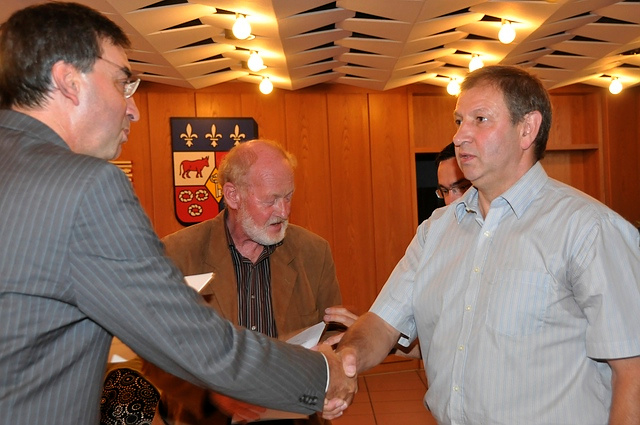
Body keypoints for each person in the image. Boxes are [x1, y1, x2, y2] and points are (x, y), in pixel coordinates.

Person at [0, 3, 355, 424]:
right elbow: (189, 337)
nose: (133, 108)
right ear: (68, 81)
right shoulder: (85, 187)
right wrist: (320, 373)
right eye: (122, 82)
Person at [335, 65, 640, 424]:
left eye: (480, 119)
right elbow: (382, 324)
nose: (459, 136)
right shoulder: (435, 231)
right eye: (459, 120)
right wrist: (347, 359)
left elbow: (632, 372)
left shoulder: (590, 230)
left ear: (527, 129)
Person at [141, 139, 358, 425]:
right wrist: (211, 394)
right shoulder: (177, 253)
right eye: (271, 200)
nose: (284, 211)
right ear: (233, 196)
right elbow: (153, 352)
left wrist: (334, 379)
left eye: (289, 197)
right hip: (206, 419)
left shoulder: (313, 252)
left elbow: (334, 337)